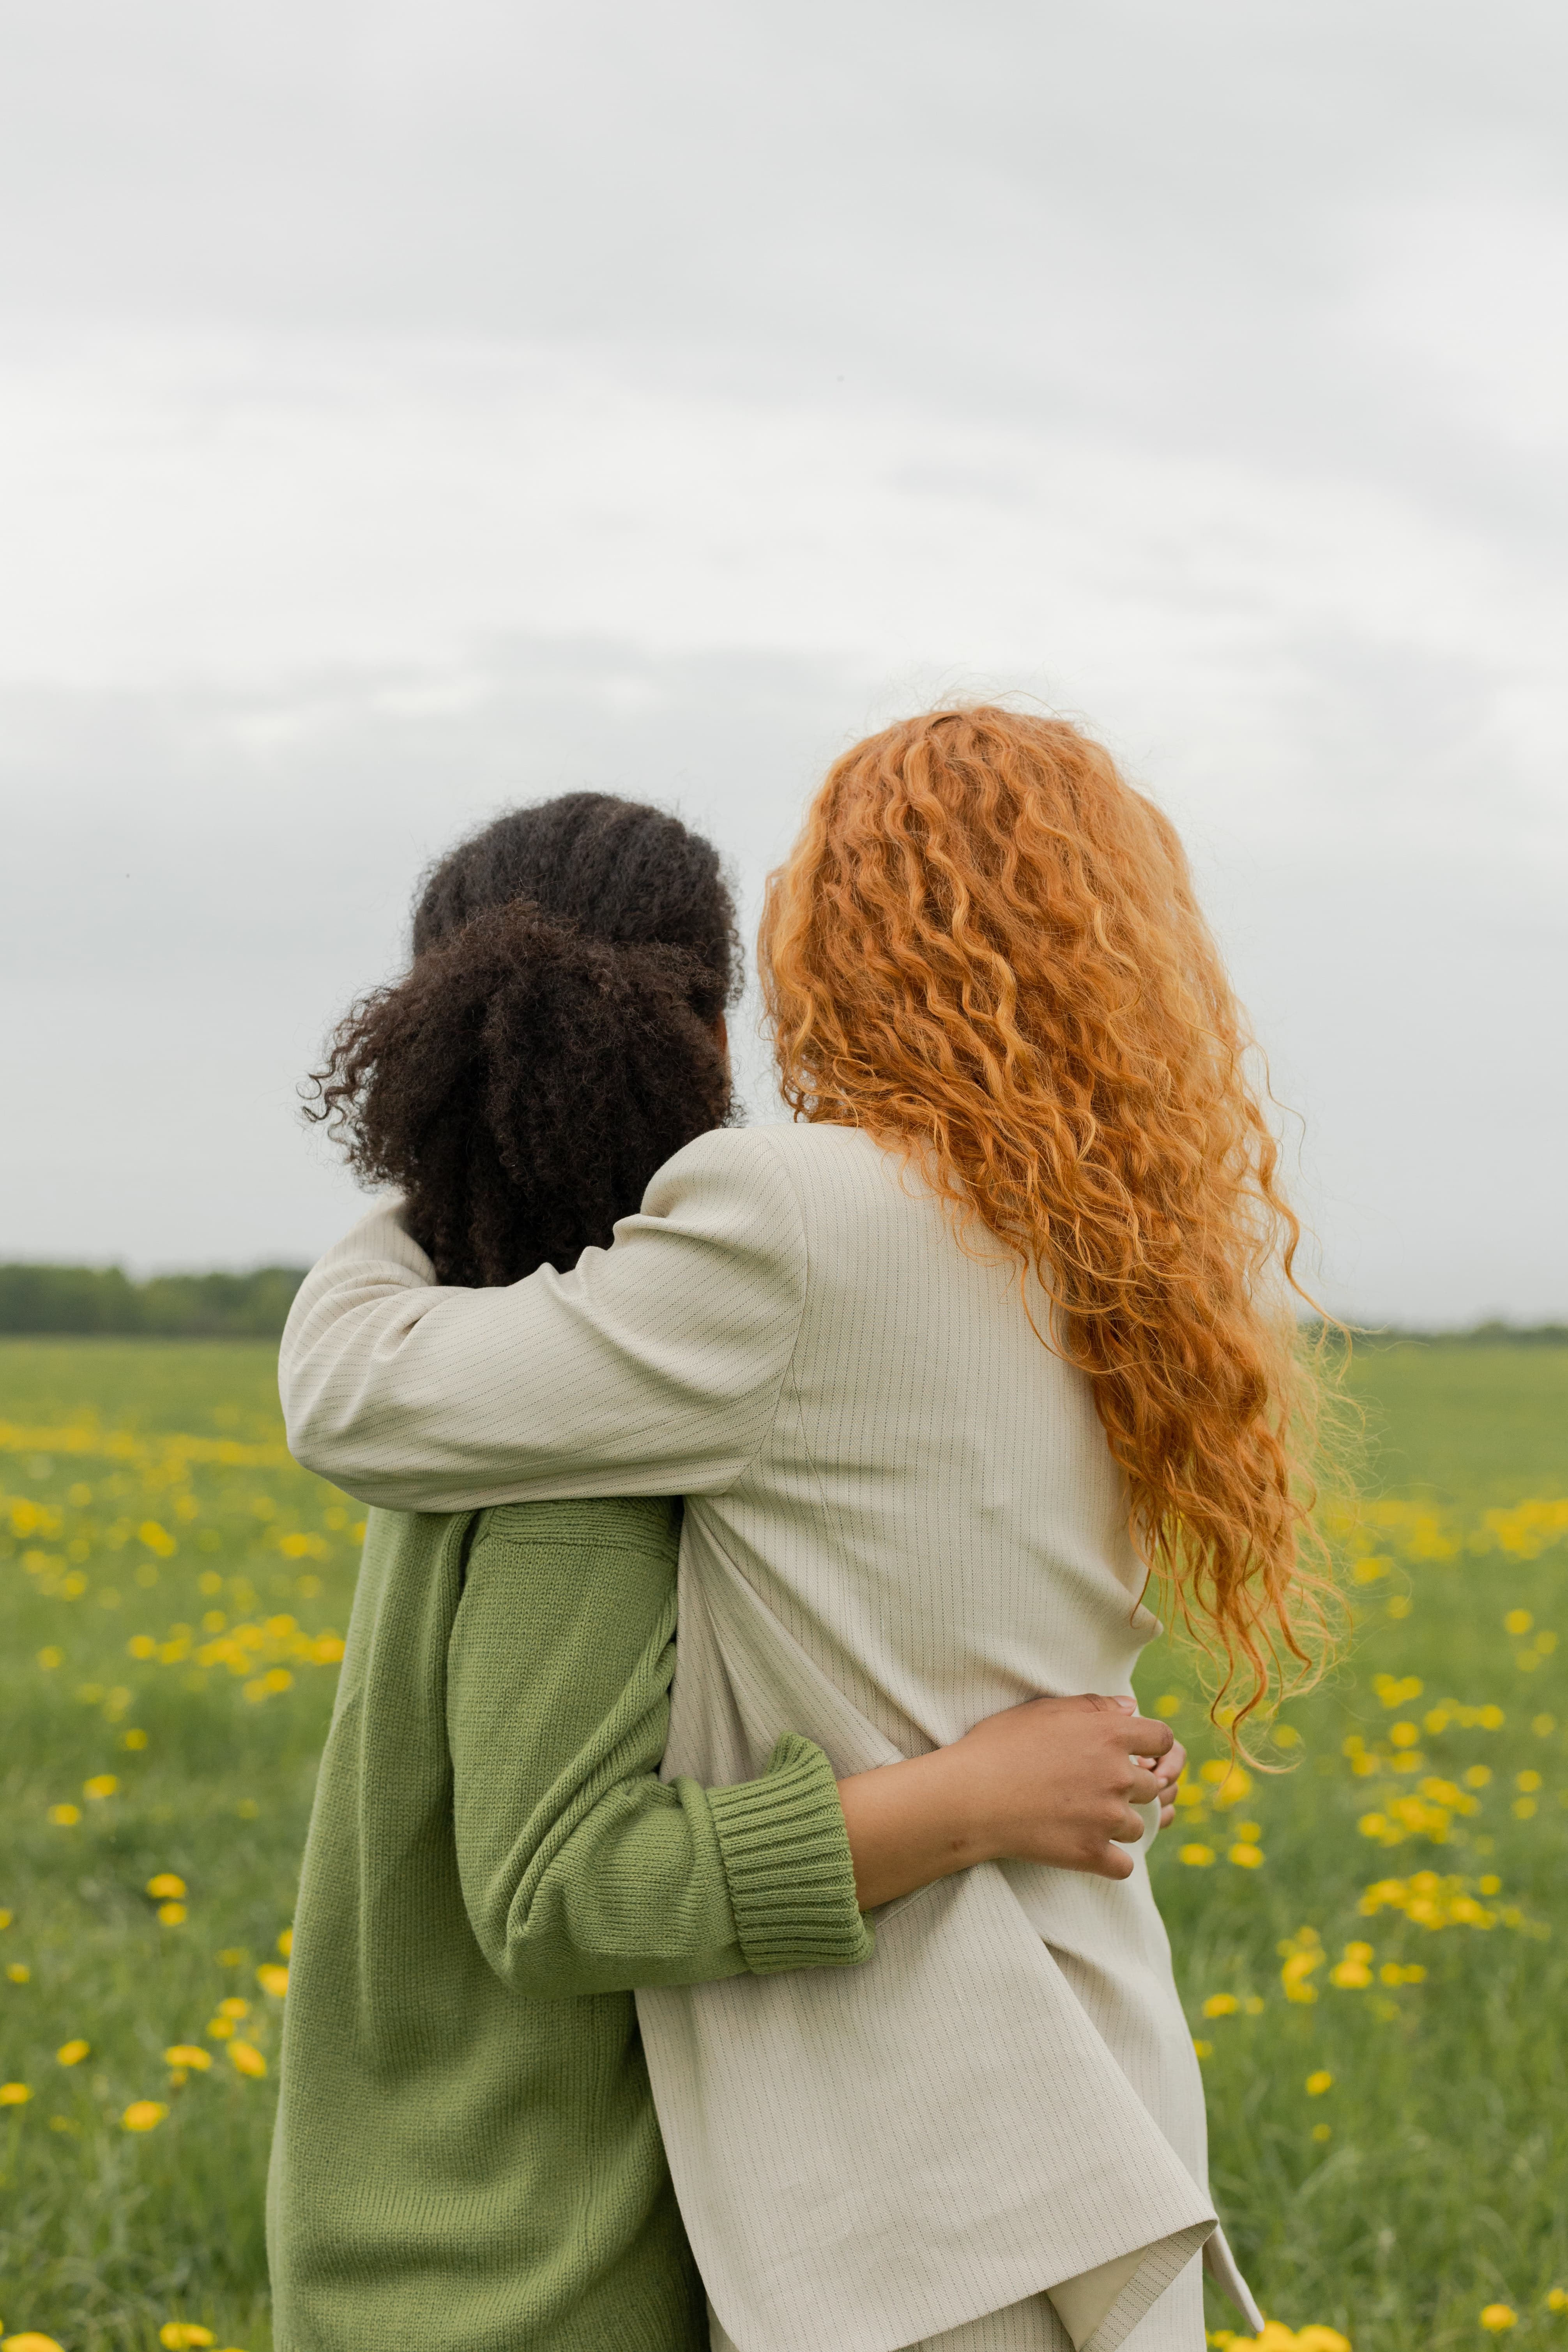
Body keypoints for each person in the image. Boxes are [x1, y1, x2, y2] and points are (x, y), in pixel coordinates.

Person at [281, 711, 1324, 2352]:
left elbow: (356, 1396)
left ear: (834, 937)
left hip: (891, 2149)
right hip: (1087, 2091)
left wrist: (441, 1150)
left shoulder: (795, 1222)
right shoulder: (1115, 1262)